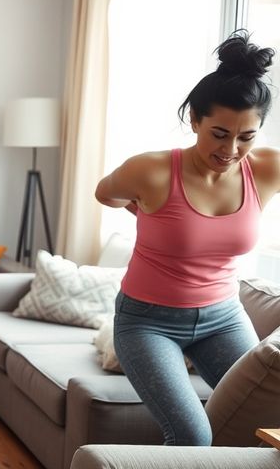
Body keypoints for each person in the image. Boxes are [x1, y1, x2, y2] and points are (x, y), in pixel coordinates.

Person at [95, 31, 278, 446]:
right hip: (146, 323)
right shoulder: (152, 170)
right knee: (192, 435)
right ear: (194, 119)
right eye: (218, 133)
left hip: (223, 318)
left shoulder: (266, 170)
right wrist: (143, 207)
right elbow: (105, 193)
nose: (230, 149)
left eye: (246, 137)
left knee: (265, 424)